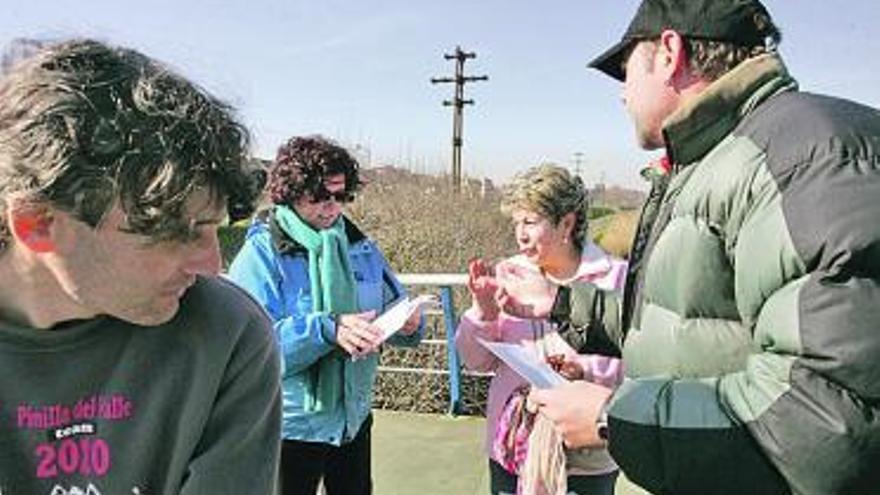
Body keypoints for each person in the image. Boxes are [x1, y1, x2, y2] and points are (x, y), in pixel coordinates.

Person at [497, 1, 880, 494]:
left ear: (669, 53)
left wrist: (612, 418)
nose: (622, 96)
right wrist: (564, 303)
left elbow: (824, 415)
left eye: (625, 70)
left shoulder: (799, 159)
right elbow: (693, 323)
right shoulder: (719, 158)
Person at [0, 39, 281, 493]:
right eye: (173, 229)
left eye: (215, 226)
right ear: (38, 223)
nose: (212, 264)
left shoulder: (226, 333)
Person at [228, 135, 425, 495]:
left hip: (352, 417)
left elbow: (393, 301)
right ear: (289, 192)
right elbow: (251, 350)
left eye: (341, 195)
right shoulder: (262, 254)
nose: (331, 207)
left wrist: (407, 323)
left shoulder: (359, 245)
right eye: (319, 196)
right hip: (289, 426)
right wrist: (326, 330)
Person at [455, 165, 627, 495]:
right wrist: (484, 311)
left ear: (567, 223)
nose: (520, 234)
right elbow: (475, 362)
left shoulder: (615, 279)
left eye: (530, 222)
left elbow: (636, 365)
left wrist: (582, 371)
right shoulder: (508, 273)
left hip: (587, 457)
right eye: (516, 222)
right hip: (515, 447)